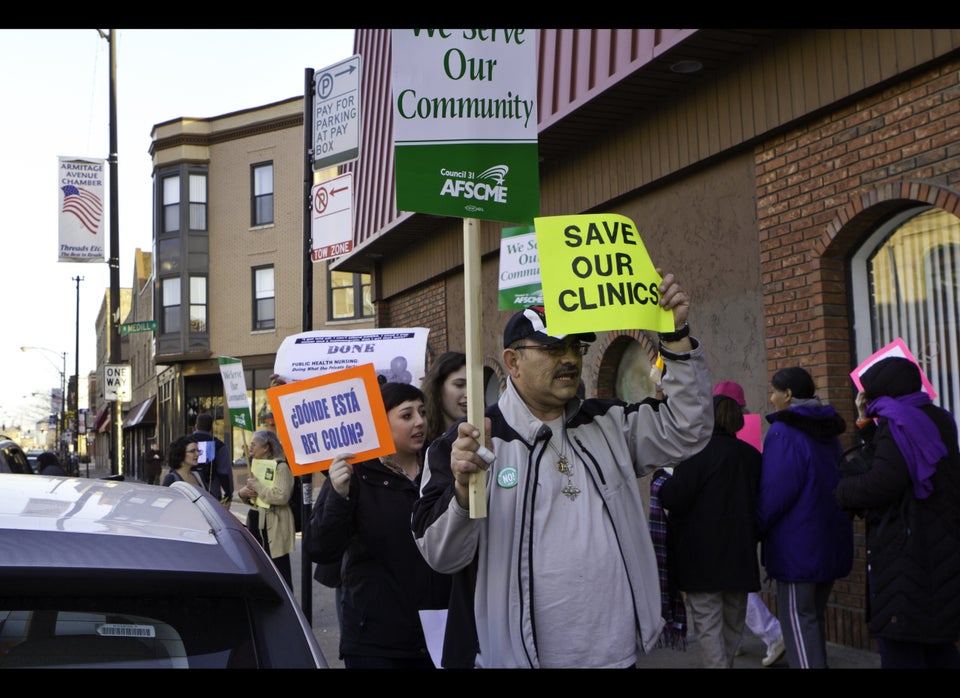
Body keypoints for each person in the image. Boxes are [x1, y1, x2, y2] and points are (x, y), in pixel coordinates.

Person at [412, 272, 715, 669]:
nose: (569, 358)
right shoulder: (468, 444)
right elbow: (441, 555)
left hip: (615, 655)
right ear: (512, 362)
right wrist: (463, 495)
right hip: (517, 661)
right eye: (553, 348)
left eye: (576, 346)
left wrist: (675, 337)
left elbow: (687, 428)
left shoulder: (609, 422)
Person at [306, 382, 452, 669]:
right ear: (379, 422)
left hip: (440, 634)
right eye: (407, 415)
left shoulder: (440, 468)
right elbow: (319, 547)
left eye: (422, 412)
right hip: (376, 642)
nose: (420, 421)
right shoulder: (355, 474)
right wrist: (339, 495)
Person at [834, 356, 960, 669]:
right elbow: (896, 458)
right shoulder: (938, 417)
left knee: (901, 645)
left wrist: (842, 491)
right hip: (939, 544)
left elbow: (882, 482)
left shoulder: (898, 421)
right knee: (936, 643)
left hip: (906, 549)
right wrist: (867, 424)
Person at [657, 384, 762, 668]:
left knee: (709, 630)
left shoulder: (695, 455)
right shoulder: (752, 456)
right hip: (740, 559)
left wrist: (662, 477)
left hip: (701, 562)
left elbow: (673, 497)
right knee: (731, 631)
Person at [757, 366, 852, 669]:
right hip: (829, 541)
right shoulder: (827, 430)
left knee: (798, 626)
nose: (770, 398)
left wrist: (755, 525)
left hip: (797, 548)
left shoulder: (784, 432)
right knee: (811, 624)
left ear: (787, 394)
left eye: (773, 391)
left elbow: (775, 492)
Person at [238, 429, 295, 589]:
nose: (250, 448)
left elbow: (281, 496)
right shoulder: (256, 465)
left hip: (275, 525)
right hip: (256, 521)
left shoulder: (281, 467)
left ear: (266, 447)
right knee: (259, 566)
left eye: (254, 445)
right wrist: (243, 494)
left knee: (279, 569)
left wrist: (258, 487)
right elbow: (257, 497)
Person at [422, 350, 467, 448]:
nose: (468, 394)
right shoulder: (420, 443)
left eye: (474, 386)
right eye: (459, 385)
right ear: (437, 388)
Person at [192, 412, 233, 508]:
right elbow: (224, 472)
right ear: (211, 427)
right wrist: (228, 495)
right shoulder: (219, 445)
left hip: (189, 491)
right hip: (212, 493)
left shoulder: (185, 442)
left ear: (196, 426)